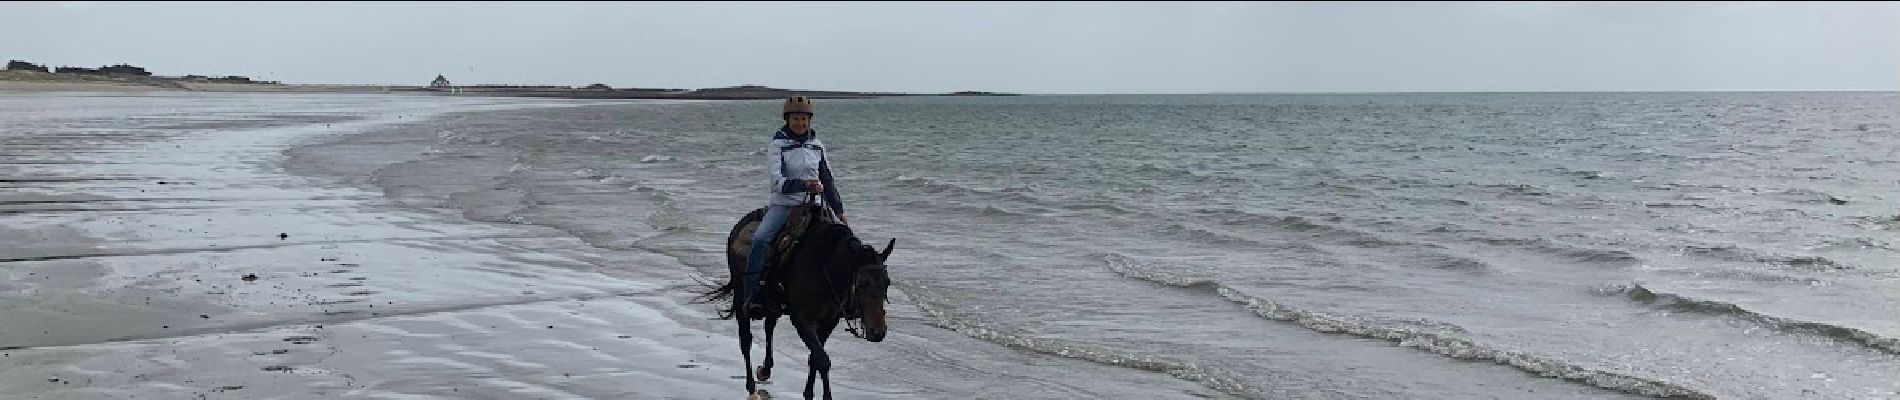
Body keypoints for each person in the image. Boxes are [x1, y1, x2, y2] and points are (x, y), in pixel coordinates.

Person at [743, 96, 848, 309]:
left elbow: (827, 179)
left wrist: (839, 210)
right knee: (760, 240)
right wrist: (805, 185)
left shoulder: (817, 145)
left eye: (803, 119)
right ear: (787, 120)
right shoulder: (777, 145)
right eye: (795, 119)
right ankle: (751, 294)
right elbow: (777, 182)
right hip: (785, 205)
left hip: (814, 205)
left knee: (844, 240)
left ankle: (847, 296)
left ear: (809, 120)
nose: (800, 123)